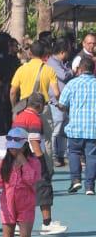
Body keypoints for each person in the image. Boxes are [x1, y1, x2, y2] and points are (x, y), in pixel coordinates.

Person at [13, 93, 67, 234]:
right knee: (44, 188)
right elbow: (35, 143)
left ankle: (19, 224)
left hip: (19, 159)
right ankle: (47, 224)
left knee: (23, 192)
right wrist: (41, 162)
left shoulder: (19, 116)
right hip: (33, 159)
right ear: (40, 105)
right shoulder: (34, 119)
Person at [58, 52, 96, 195]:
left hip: (75, 128)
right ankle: (90, 186)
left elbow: (62, 103)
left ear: (80, 69)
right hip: (93, 128)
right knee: (92, 156)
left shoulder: (72, 84)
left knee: (74, 152)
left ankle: (75, 180)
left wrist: (66, 107)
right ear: (93, 69)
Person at [10, 40, 57, 113]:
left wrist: (15, 107)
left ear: (30, 53)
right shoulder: (49, 70)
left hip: (25, 109)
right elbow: (56, 93)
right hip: (42, 109)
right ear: (43, 54)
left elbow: (13, 92)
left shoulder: (21, 69)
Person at [47, 38, 72, 166]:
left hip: (63, 102)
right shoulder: (52, 63)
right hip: (55, 102)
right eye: (68, 51)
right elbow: (63, 75)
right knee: (56, 130)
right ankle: (55, 155)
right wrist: (72, 70)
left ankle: (61, 155)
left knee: (63, 130)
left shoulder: (62, 62)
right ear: (62, 52)